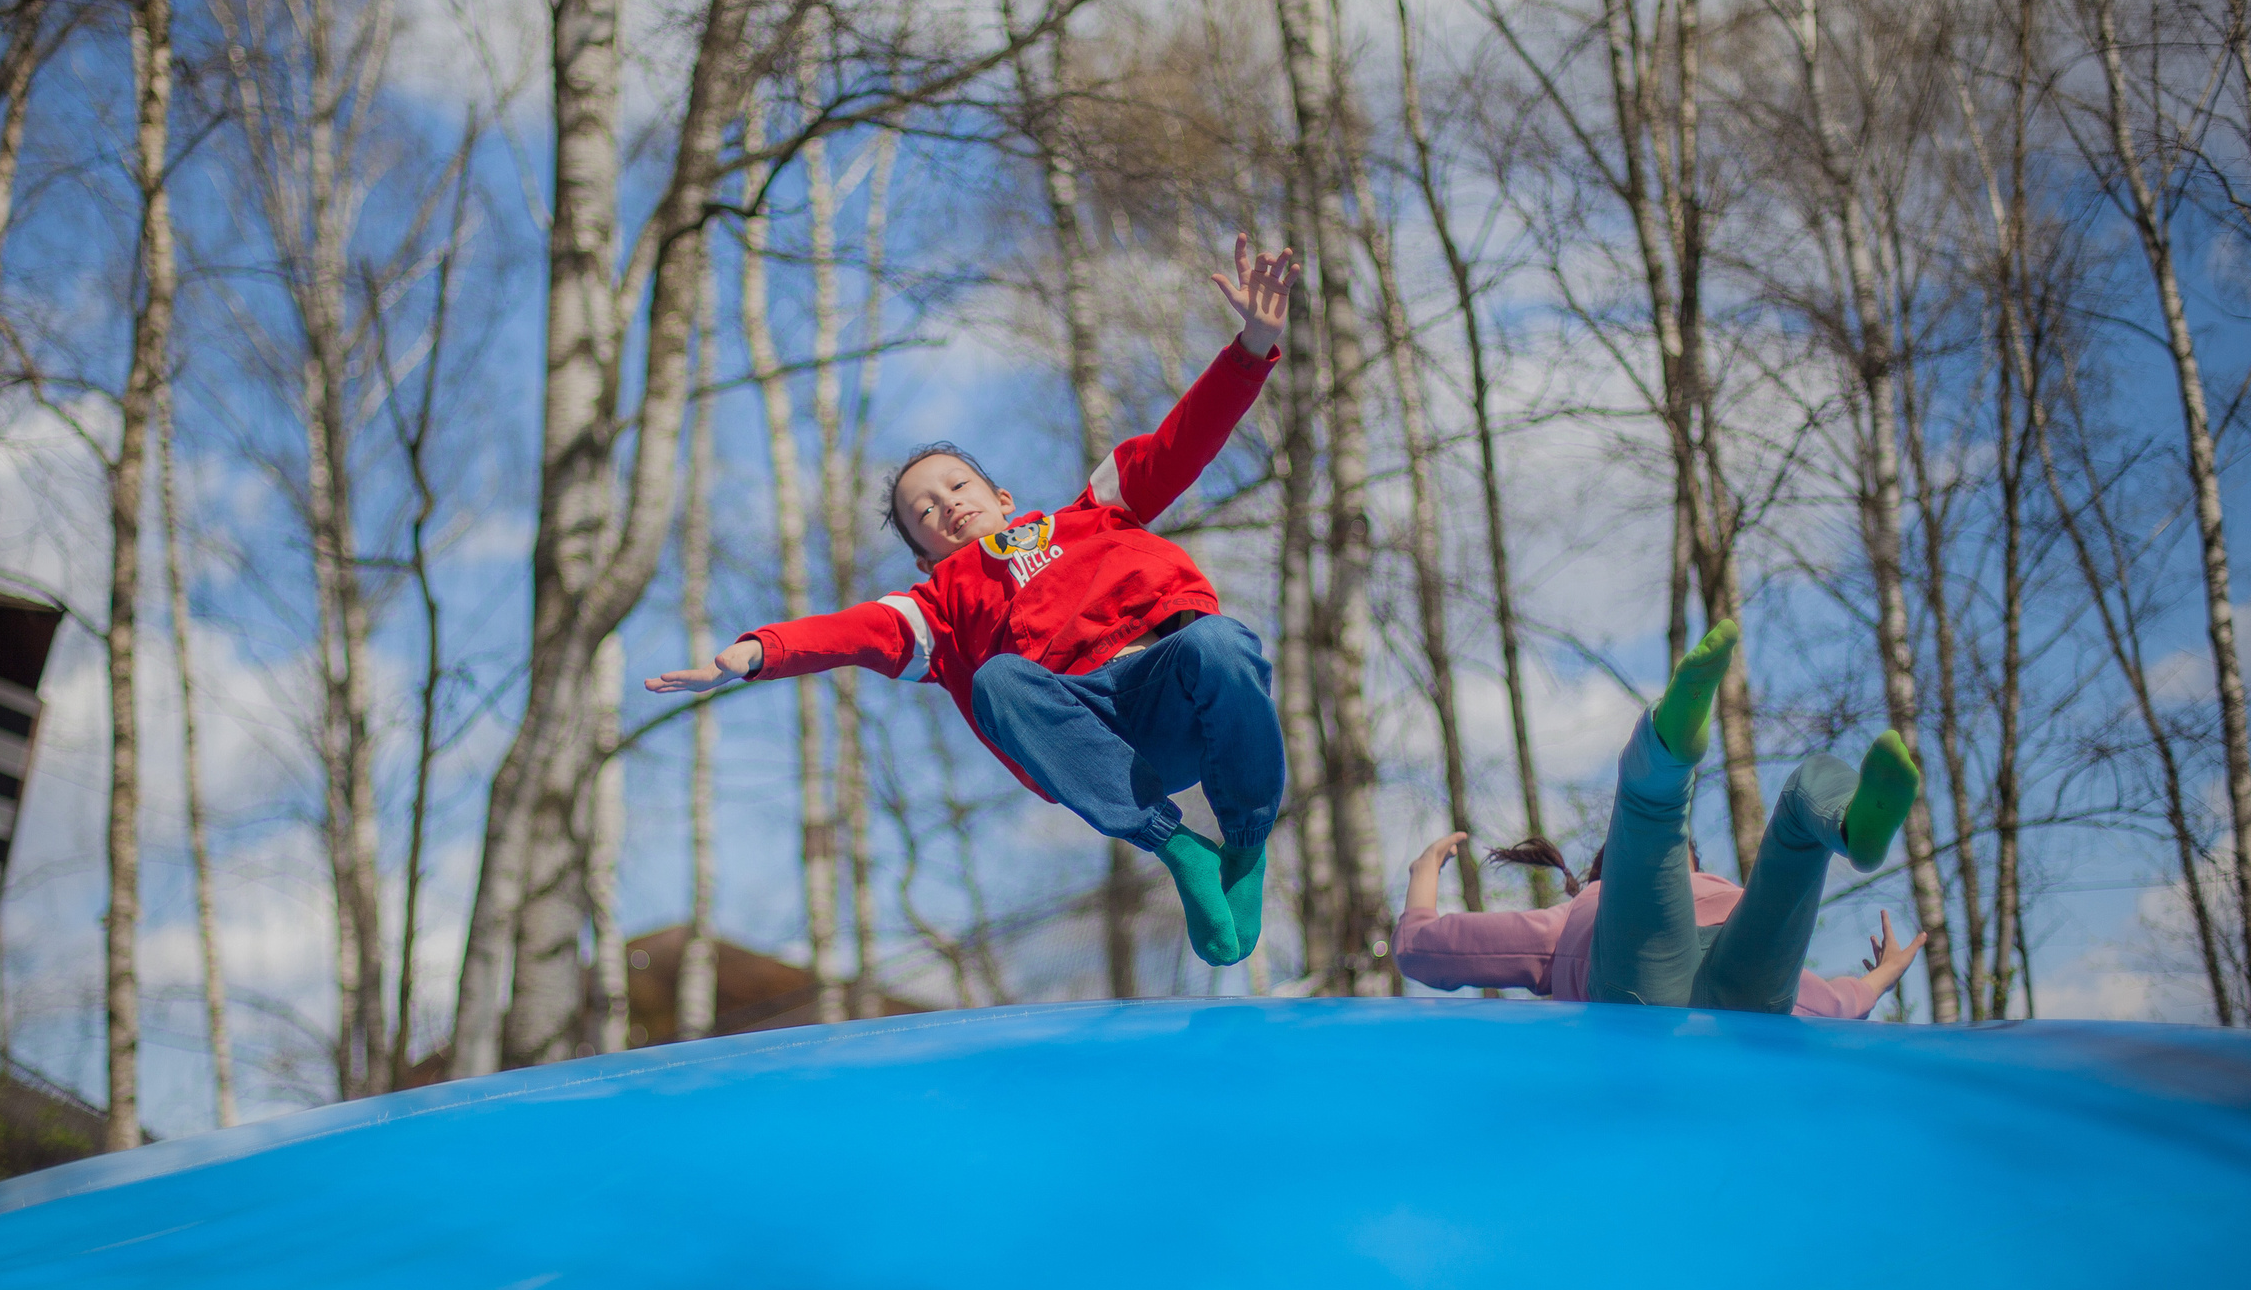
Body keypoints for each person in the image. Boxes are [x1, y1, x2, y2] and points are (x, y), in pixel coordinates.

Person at [646, 234, 1300, 969]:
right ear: (924, 556)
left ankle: (1243, 845)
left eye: (958, 487)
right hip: (1095, 735)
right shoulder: (936, 608)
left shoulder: (1096, 510)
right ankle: (1178, 846)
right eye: (924, 511)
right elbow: (846, 631)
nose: (946, 506)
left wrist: (1251, 348)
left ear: (1003, 497)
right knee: (997, 680)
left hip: (1171, 687)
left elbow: (1184, 440)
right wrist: (756, 650)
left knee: (1221, 641)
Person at [1396, 620, 1928, 1017]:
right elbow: (1827, 1001)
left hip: (1643, 991)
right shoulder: (1728, 897)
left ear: (1607, 877)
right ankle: (1842, 821)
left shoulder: (1581, 910)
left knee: (1654, 811)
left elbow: (1427, 951)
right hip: (1744, 1001)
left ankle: (1667, 756)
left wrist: (1422, 879)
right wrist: (1880, 979)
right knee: (1801, 801)